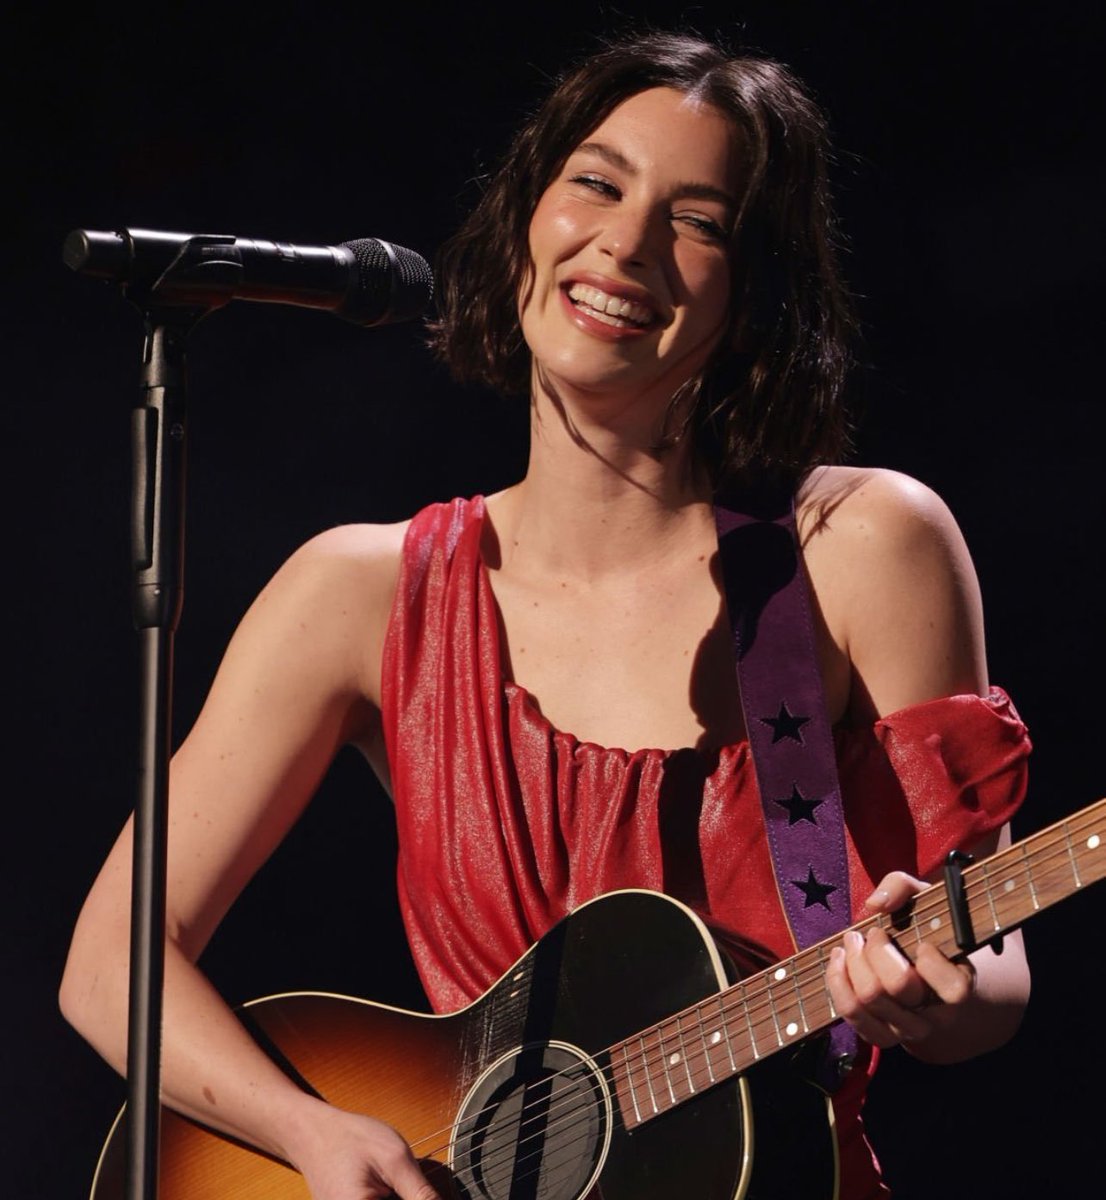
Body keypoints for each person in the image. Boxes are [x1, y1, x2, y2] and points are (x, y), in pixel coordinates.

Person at [60, 31, 1032, 1200]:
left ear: (752, 292)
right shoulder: (363, 590)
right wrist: (308, 1132)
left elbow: (991, 968)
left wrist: (932, 1000)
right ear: (526, 213)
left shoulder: (859, 547)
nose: (624, 243)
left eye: (697, 220)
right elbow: (111, 965)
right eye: (596, 183)